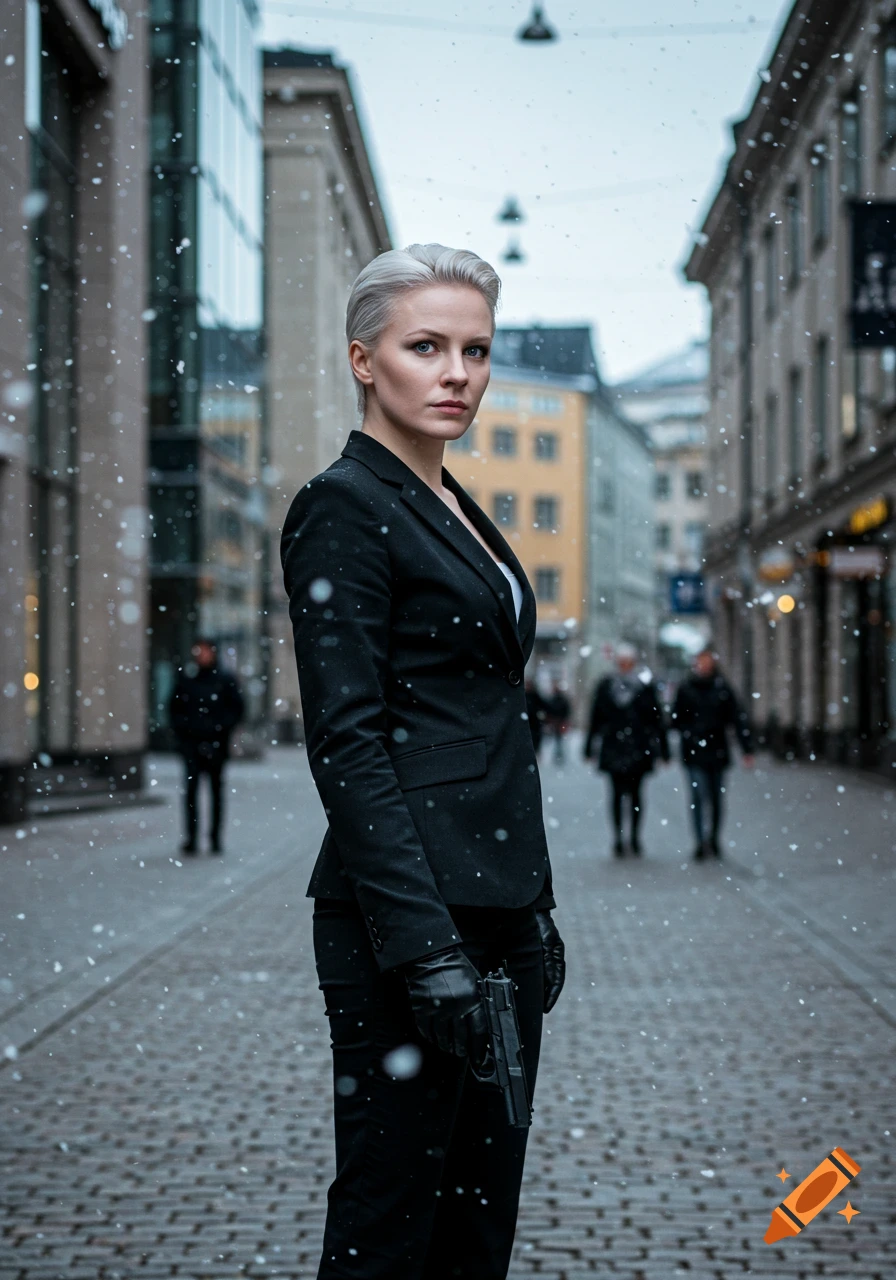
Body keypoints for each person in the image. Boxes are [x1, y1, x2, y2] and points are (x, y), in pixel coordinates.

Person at [280, 244, 565, 1280]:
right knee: (389, 1219)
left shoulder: (454, 504)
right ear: (364, 359)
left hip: (497, 914)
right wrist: (424, 947)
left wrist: (528, 907)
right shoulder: (344, 505)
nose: (456, 373)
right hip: (404, 926)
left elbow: (478, 719)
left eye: (475, 349)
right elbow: (347, 739)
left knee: (477, 1222)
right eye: (426, 346)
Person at [584, 643, 669, 857]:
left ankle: (634, 838)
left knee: (636, 795)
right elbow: (596, 718)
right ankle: (619, 838)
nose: (625, 666)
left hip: (639, 747)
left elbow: (657, 720)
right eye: (622, 662)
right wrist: (589, 746)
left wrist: (664, 749)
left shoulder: (644, 687)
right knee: (616, 795)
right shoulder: (606, 685)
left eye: (628, 662)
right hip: (614, 747)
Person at [671, 647, 755, 860]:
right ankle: (700, 841)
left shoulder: (722, 688)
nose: (704, 665)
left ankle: (714, 838)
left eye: (707, 661)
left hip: (717, 750)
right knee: (698, 796)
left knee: (716, 798)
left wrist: (747, 748)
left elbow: (737, 718)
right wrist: (687, 733)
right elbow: (675, 719)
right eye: (700, 661)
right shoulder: (687, 688)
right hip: (694, 752)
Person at [168, 639, 244, 855]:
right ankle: (191, 838)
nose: (202, 655)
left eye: (205, 651)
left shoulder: (224, 679)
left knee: (216, 793)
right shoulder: (187, 679)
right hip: (192, 746)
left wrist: (219, 729)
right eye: (198, 651)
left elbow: (237, 709)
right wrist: (185, 733)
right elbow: (174, 709)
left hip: (216, 746)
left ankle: (215, 839)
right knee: (191, 793)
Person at [544, 680, 572, 765]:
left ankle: (559, 756)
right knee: (558, 740)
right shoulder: (558, 699)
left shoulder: (558, 699)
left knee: (558, 740)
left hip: (559, 722)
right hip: (557, 722)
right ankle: (558, 756)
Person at [524, 675, 549, 756]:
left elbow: (544, 706)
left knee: (535, 740)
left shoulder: (535, 695)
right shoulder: (522, 695)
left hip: (535, 724)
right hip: (525, 723)